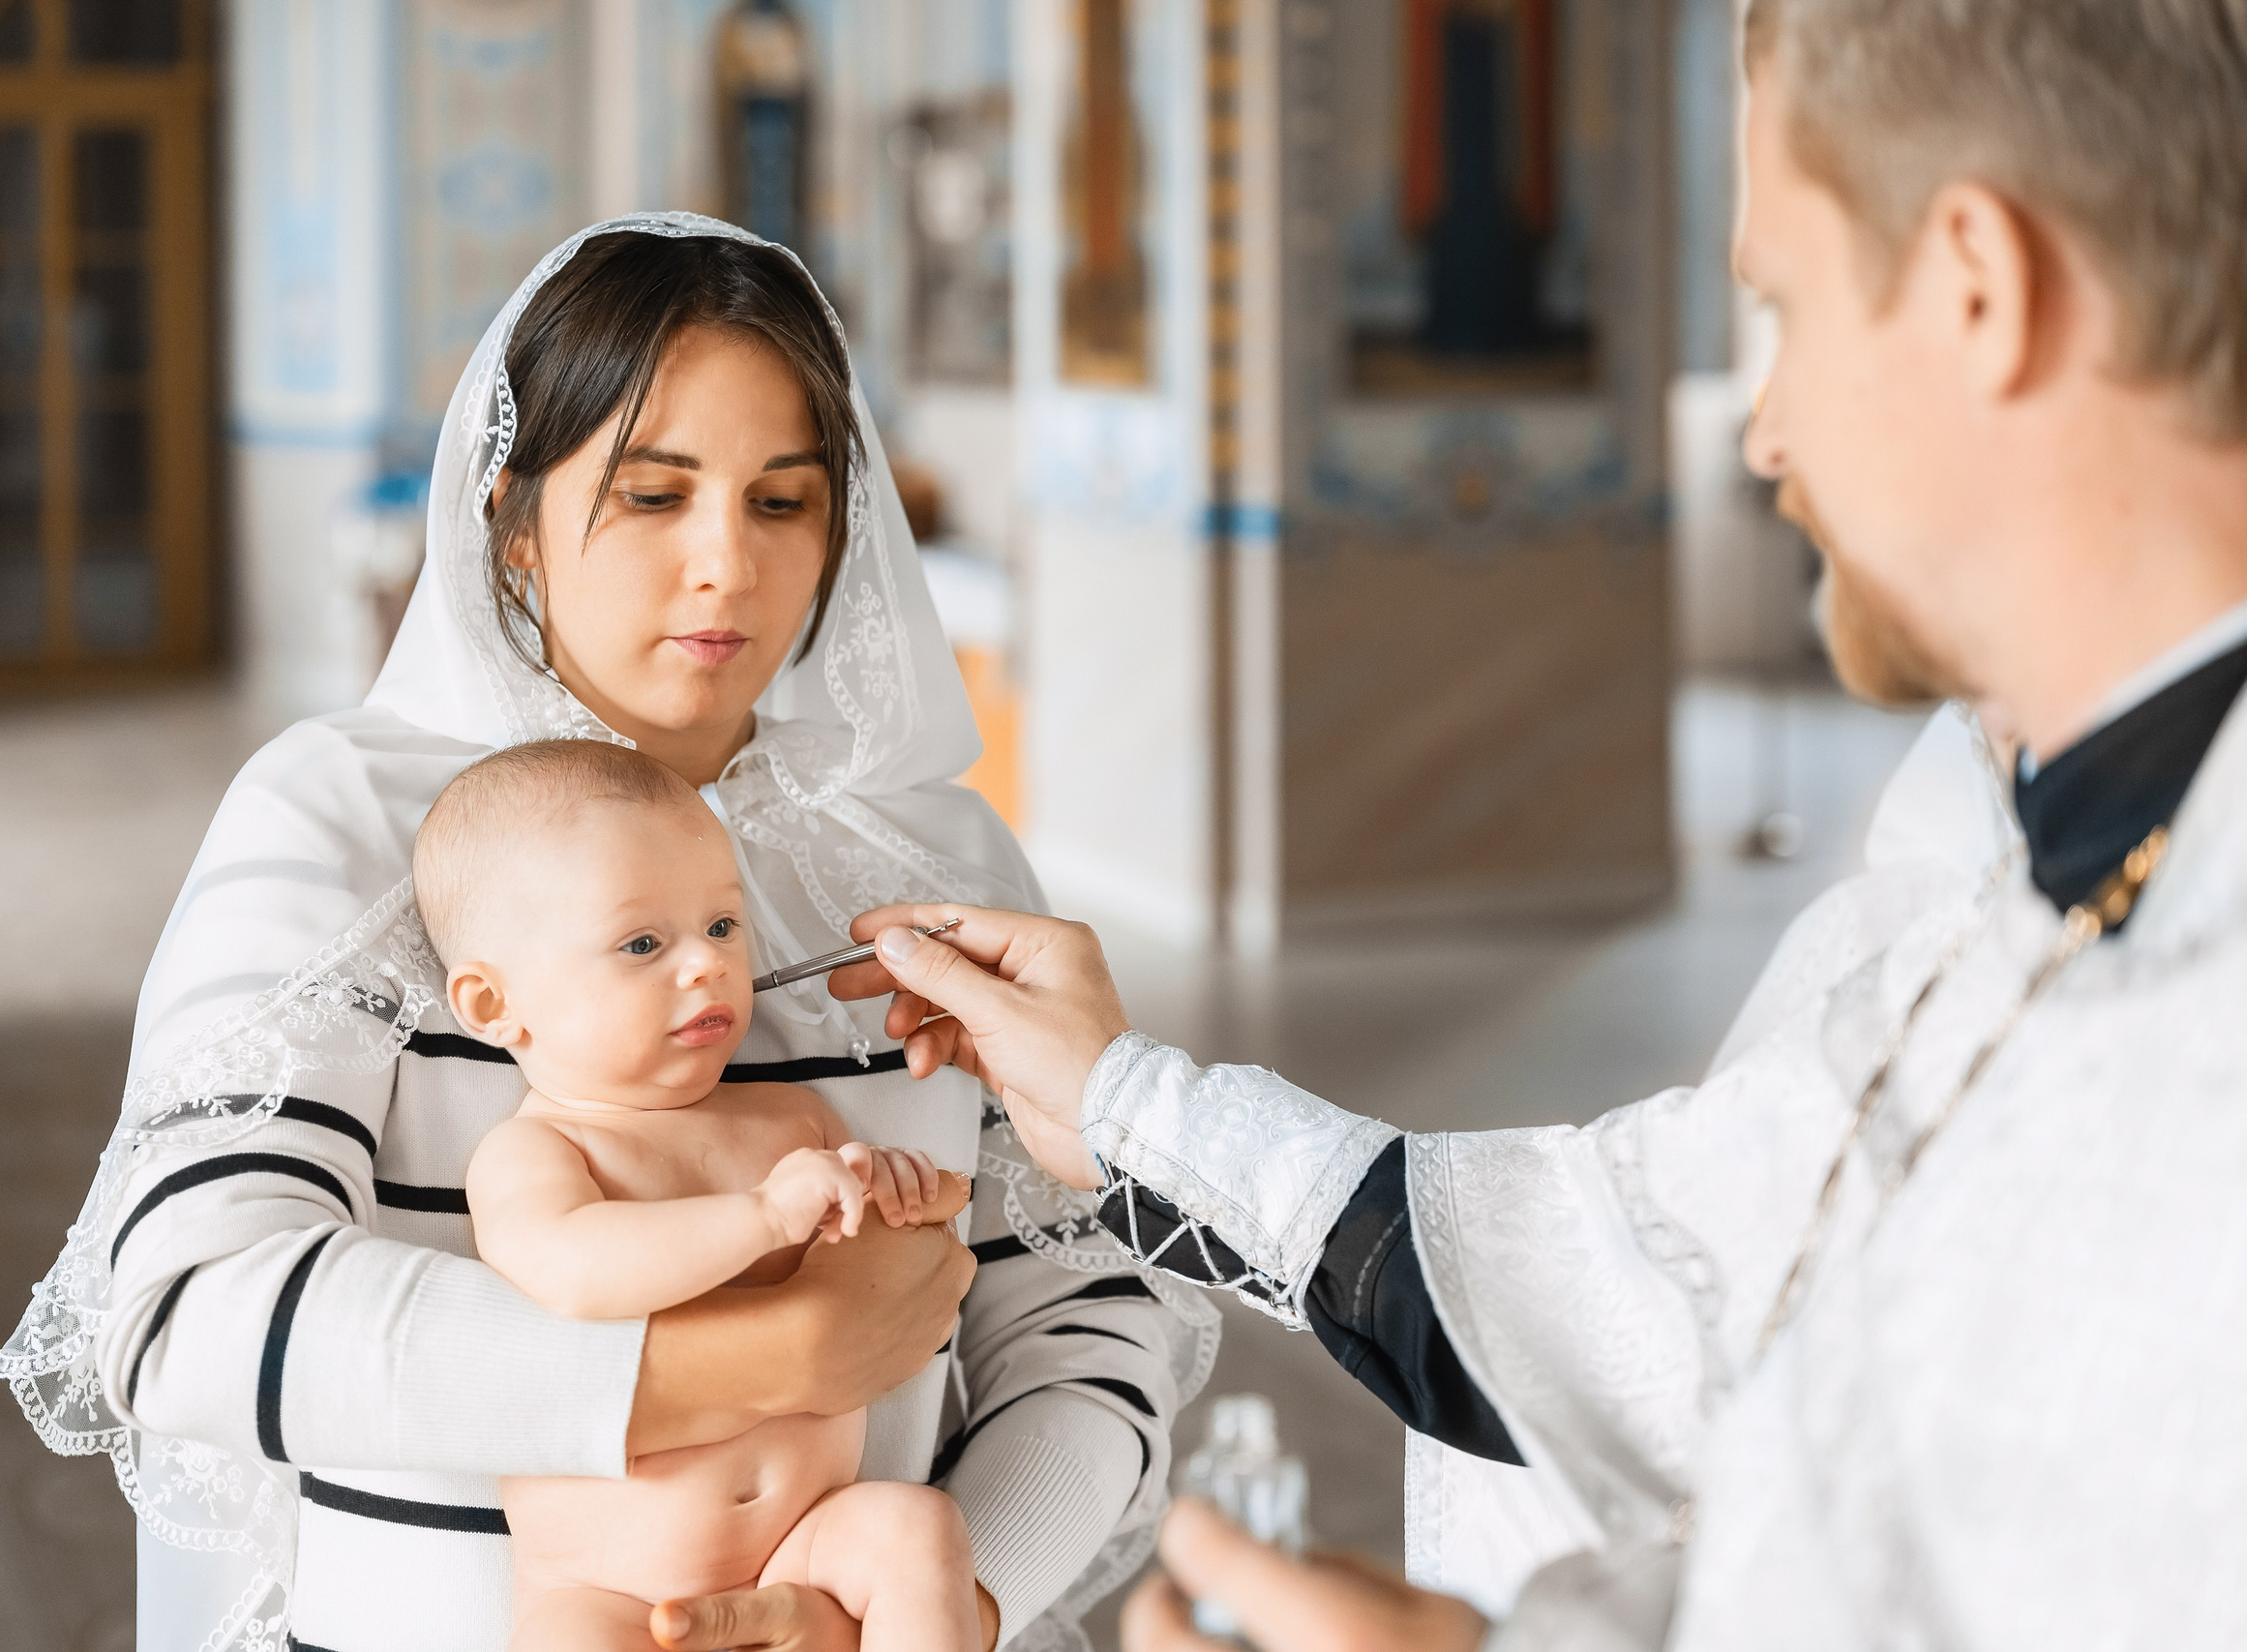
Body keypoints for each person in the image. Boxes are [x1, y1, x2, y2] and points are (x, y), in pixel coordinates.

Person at [829, 1, 2247, 1645]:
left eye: (1778, 301)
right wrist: (1124, 1106)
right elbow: (1668, 1287)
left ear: (1975, 290)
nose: (1766, 428)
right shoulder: (2022, 838)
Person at [0, 217, 1209, 1652]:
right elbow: (188, 1305)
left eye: (782, 500)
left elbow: (1085, 1320)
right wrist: (755, 1358)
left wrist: (947, 1596)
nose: (726, 566)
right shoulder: (349, 828)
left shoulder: (933, 862)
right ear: (513, 515)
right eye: (652, 495)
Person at [420, 739, 976, 1652]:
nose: (707, 965)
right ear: (492, 1005)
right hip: (604, 1593)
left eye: (722, 926)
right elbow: (578, 1269)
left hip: (807, 1544)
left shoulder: (794, 1118)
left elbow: (882, 1261)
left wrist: (900, 1192)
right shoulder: (538, 1149)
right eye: (643, 943)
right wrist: (761, 1215)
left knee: (918, 1531)